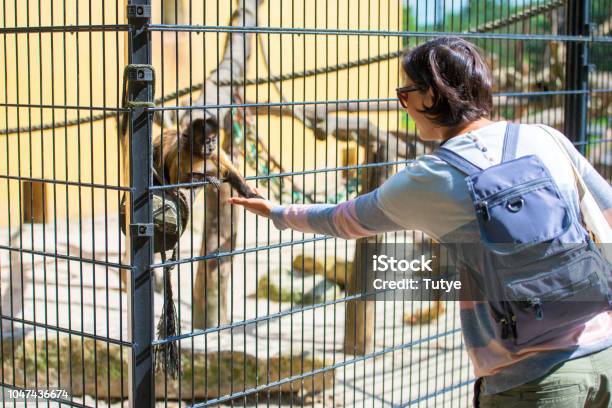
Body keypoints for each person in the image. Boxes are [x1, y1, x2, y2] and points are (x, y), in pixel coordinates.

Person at [228, 37, 612, 407]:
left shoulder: (432, 177)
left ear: (431, 95)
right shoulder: (546, 137)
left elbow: (345, 219)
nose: (404, 105)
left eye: (405, 94)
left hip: (531, 379)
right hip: (605, 351)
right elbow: (607, 210)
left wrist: (277, 212)